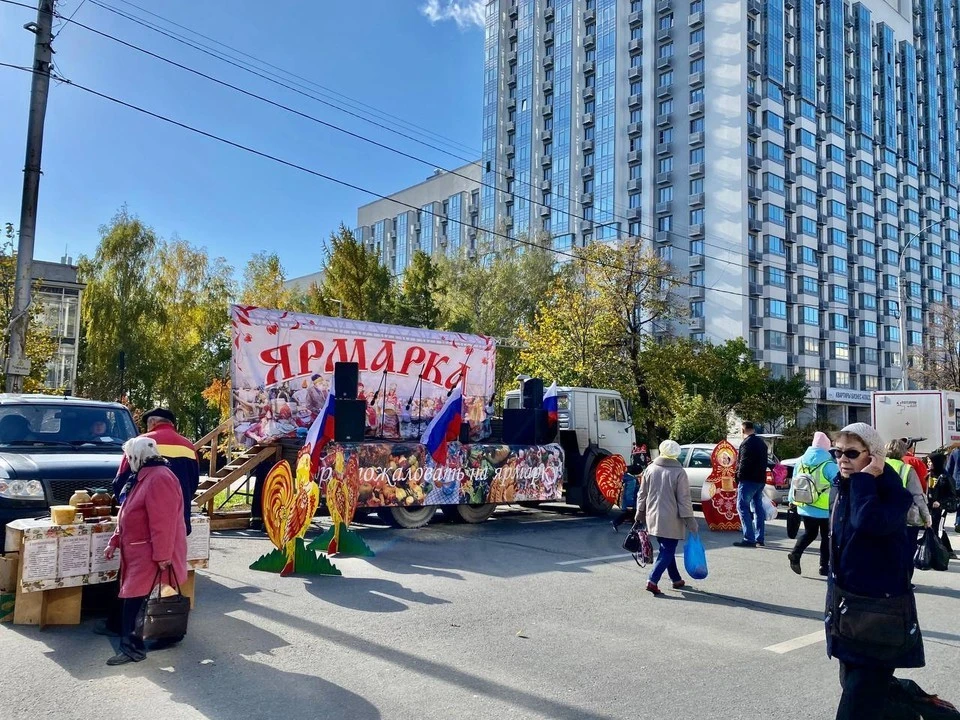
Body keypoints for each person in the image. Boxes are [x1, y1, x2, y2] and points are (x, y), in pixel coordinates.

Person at [826, 423, 923, 719]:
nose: (842, 459)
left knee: (855, 708)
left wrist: (866, 480)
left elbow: (868, 522)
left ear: (874, 457)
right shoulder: (844, 486)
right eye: (837, 452)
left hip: (881, 618)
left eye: (852, 453)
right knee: (864, 696)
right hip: (848, 614)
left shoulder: (892, 493)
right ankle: (909, 709)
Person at [103, 437, 188, 666]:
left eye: (128, 457)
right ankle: (142, 642)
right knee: (138, 600)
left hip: (149, 553)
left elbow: (163, 522)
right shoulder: (145, 476)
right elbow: (128, 514)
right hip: (141, 550)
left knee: (135, 601)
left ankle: (132, 649)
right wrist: (115, 541)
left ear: (135, 457)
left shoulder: (159, 478)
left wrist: (162, 556)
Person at [113, 407, 200, 536]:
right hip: (178, 520)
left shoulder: (138, 444)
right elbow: (193, 483)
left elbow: (121, 482)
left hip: (144, 523)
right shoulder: (188, 446)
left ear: (152, 422)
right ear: (171, 424)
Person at [635, 439, 698, 595]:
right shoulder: (679, 472)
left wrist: (639, 513)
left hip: (653, 515)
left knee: (666, 547)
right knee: (668, 549)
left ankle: (676, 578)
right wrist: (690, 520)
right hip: (672, 517)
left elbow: (642, 494)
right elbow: (684, 499)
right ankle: (652, 579)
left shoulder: (650, 469)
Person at [787, 431, 837, 577]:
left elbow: (794, 483)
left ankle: (795, 554)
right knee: (827, 536)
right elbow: (840, 481)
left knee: (810, 533)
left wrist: (792, 501)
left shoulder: (801, 461)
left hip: (806, 504)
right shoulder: (828, 464)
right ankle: (823, 566)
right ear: (826, 447)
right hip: (825, 508)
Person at [733, 421, 768, 548]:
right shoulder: (762, 443)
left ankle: (749, 538)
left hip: (748, 480)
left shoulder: (746, 443)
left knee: (742, 507)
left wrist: (738, 477)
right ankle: (760, 538)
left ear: (743, 430)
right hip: (760, 480)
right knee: (757, 508)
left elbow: (743, 463)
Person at [884, 439, 932, 532]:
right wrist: (926, 518)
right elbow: (918, 496)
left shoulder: (878, 466)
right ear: (903, 451)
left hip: (882, 516)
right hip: (903, 517)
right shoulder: (907, 469)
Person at [927, 452, 958, 556]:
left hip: (941, 508)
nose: (928, 463)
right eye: (928, 461)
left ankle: (947, 550)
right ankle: (934, 548)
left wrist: (940, 502)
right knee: (931, 527)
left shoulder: (945, 477)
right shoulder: (929, 474)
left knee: (939, 528)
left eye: (930, 461)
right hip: (930, 506)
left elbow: (952, 495)